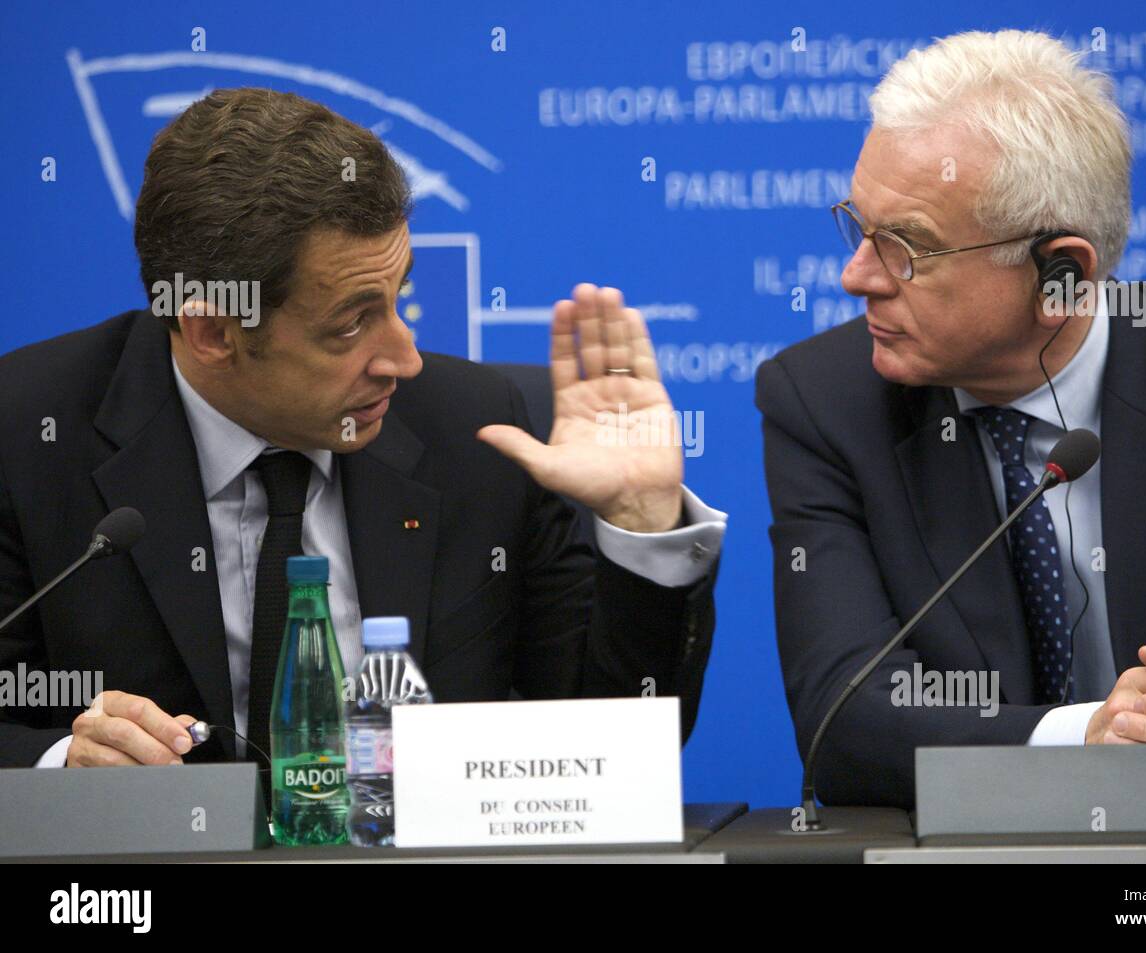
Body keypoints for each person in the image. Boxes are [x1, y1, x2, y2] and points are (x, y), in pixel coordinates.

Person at [0, 88, 726, 770]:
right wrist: (64, 762)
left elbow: (614, 747)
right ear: (213, 328)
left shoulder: (477, 431)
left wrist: (641, 525)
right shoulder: (29, 431)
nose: (406, 358)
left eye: (399, 296)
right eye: (351, 322)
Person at [757, 30, 1146, 808]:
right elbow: (844, 720)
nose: (855, 277)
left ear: (1061, 274)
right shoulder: (824, 401)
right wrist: (1088, 735)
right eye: (858, 225)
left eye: (905, 247)